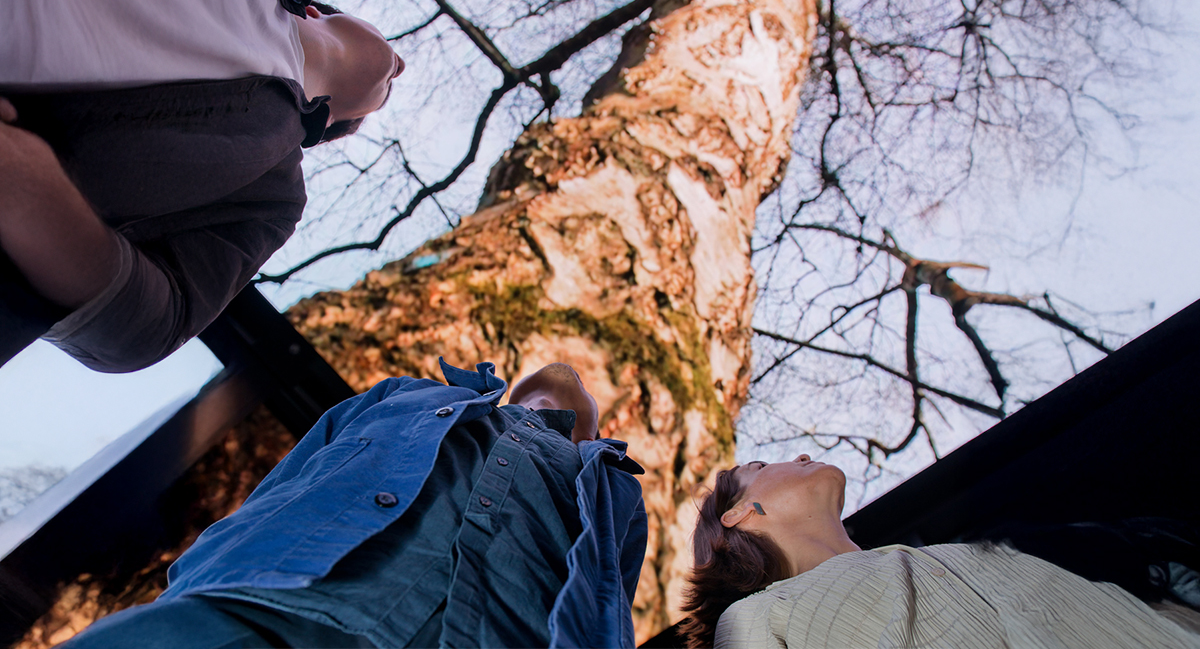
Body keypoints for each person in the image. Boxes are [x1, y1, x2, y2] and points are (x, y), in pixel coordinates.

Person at [0, 0, 404, 372]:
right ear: (311, 9)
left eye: (387, 90)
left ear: (327, 121)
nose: (402, 68)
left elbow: (148, 325)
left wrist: (29, 195)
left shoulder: (271, 196)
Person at [61, 359, 648, 648]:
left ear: (595, 437)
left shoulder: (613, 488)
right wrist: (199, 582)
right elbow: (280, 487)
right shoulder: (408, 396)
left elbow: (605, 602)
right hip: (266, 604)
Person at [680, 455, 1200, 649]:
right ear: (737, 514)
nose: (800, 455)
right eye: (759, 465)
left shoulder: (986, 557)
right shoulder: (754, 622)